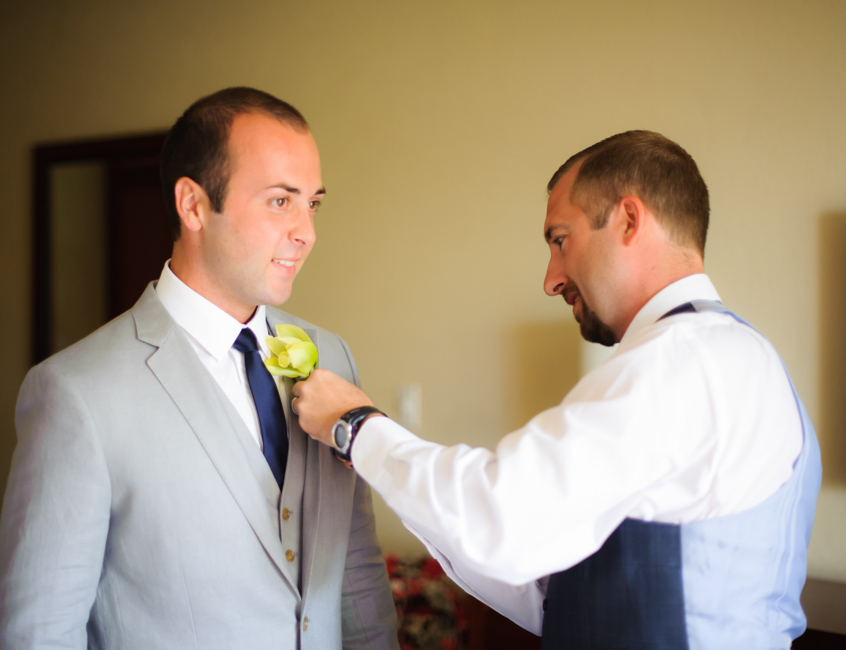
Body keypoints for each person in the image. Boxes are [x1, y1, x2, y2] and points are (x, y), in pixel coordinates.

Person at [292, 130, 822, 649]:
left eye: (560, 240)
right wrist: (377, 460)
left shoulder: (683, 360)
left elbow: (504, 521)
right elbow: (555, 590)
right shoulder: (730, 354)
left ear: (629, 220)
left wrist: (357, 427)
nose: (551, 279)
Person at [0, 87, 398, 649]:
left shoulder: (330, 357)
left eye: (313, 202)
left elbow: (356, 575)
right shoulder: (76, 394)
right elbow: (37, 634)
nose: (307, 231)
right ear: (194, 204)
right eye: (281, 201)